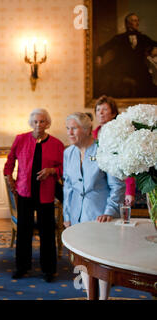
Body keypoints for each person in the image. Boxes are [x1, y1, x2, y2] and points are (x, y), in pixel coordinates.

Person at [63, 112, 125, 300]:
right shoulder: (68, 153)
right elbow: (67, 186)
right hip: (77, 216)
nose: (70, 132)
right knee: (82, 259)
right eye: (68, 129)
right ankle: (90, 296)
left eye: (74, 128)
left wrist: (109, 211)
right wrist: (67, 215)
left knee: (101, 262)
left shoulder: (103, 150)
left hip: (100, 216)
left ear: (87, 129)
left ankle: (103, 298)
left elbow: (117, 186)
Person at [3, 108, 64, 282]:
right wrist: (10, 179)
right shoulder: (20, 139)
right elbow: (9, 162)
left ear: (48, 123)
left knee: (47, 232)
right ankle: (22, 267)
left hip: (46, 193)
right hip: (25, 192)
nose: (39, 125)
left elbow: (64, 168)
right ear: (31, 123)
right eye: (35, 121)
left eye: (42, 121)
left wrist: (51, 170)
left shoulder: (57, 144)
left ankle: (48, 270)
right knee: (24, 232)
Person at [95, 13, 157, 98]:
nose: (137, 23)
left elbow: (155, 43)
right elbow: (103, 48)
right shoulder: (119, 38)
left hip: (139, 69)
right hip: (123, 69)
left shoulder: (143, 38)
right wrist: (99, 57)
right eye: (134, 21)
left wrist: (154, 49)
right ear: (128, 24)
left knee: (149, 86)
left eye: (138, 20)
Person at [93, 95, 136, 206]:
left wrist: (129, 191)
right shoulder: (92, 135)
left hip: (118, 184)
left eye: (105, 109)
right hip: (98, 187)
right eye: (98, 110)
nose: (101, 113)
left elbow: (128, 162)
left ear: (113, 113)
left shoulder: (122, 133)